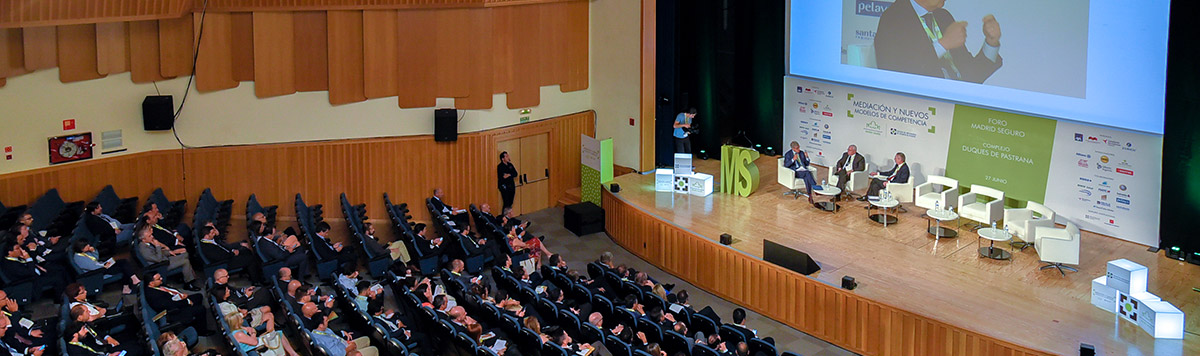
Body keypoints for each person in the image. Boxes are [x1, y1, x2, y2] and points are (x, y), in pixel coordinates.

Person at [873, 0, 1003, 83]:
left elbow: (970, 76)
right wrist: (943, 44)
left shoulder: (943, 16)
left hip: (958, 105)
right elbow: (898, 75)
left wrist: (991, 42)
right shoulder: (893, 18)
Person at [134, 226, 198, 290]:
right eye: (149, 236)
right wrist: (157, 246)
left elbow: (159, 252)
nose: (152, 237)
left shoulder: (148, 243)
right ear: (143, 239)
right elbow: (158, 259)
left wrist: (170, 252)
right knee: (185, 261)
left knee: (184, 254)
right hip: (161, 265)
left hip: (165, 259)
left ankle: (185, 275)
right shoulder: (144, 250)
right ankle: (188, 283)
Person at [198, 225, 263, 281]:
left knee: (247, 251)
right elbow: (219, 257)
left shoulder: (211, 239)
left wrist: (232, 250)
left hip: (229, 254)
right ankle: (256, 280)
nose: (214, 234)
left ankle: (251, 272)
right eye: (212, 233)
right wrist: (233, 254)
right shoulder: (207, 247)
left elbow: (223, 246)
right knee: (250, 259)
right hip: (225, 262)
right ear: (206, 236)